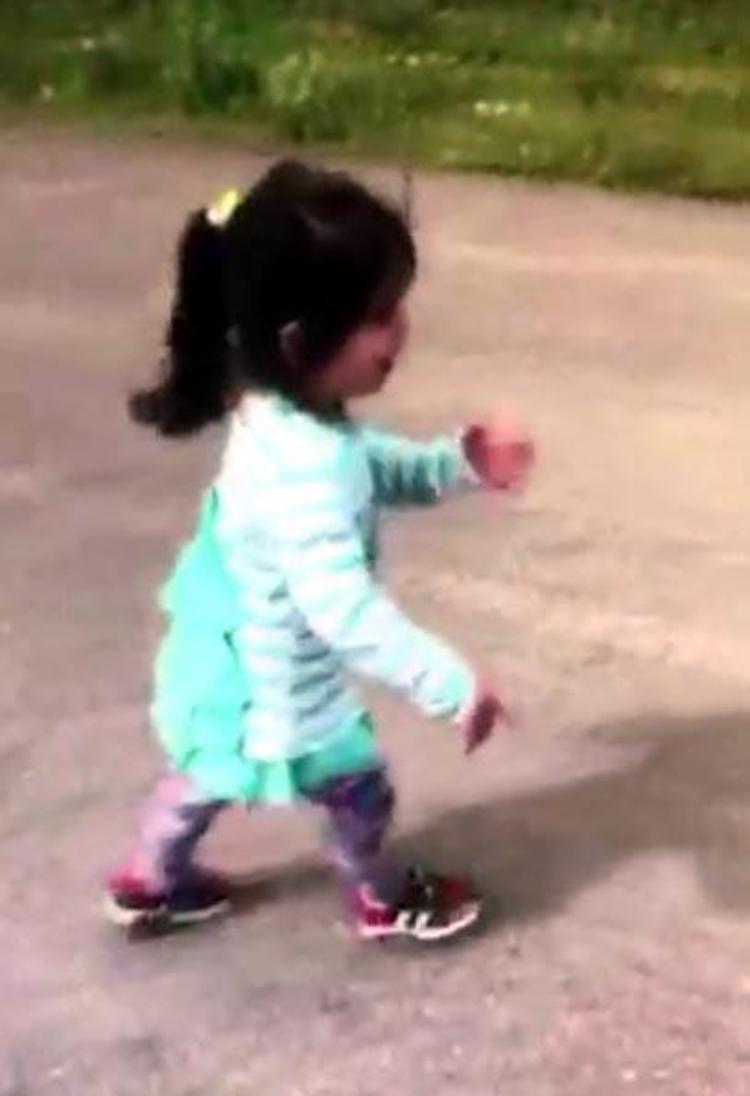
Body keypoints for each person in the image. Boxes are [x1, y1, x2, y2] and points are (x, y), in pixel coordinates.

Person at [106, 160, 534, 942]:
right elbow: (344, 612)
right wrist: (451, 684)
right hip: (276, 682)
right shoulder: (306, 464)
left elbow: (371, 468)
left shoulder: (289, 413)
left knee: (204, 774)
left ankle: (150, 880)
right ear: (301, 342)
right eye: (380, 315)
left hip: (230, 657)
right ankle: (379, 896)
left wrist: (458, 464)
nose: (401, 330)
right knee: (359, 790)